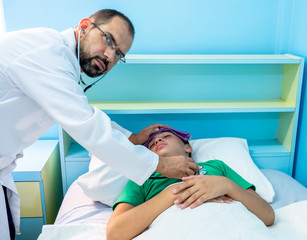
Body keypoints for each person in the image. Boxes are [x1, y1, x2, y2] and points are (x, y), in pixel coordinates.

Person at [0, 9, 198, 240]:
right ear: (84, 26)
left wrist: (132, 138)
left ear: (188, 148)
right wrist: (159, 164)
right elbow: (86, 124)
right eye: (108, 39)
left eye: (118, 53)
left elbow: (86, 115)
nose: (109, 56)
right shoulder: (47, 52)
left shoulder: (62, 65)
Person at [107, 127, 275, 240]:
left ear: (187, 147)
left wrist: (225, 185)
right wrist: (175, 193)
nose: (157, 141)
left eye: (166, 136)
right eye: (151, 144)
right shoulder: (143, 178)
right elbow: (115, 233)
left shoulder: (217, 167)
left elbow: (267, 215)